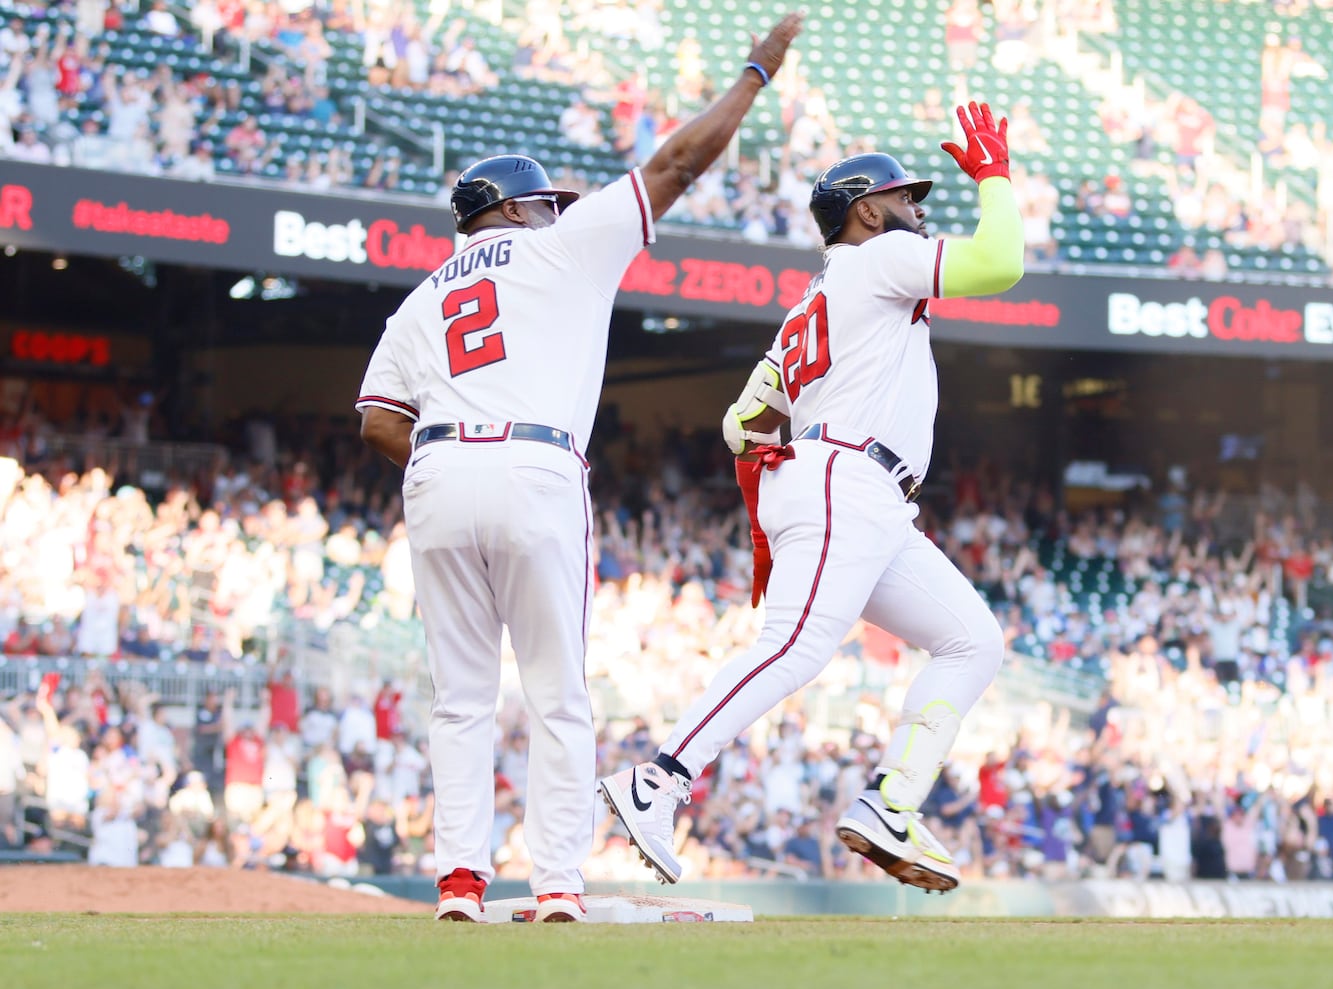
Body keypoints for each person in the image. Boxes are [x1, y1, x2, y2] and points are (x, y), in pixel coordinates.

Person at [354, 12, 803, 924]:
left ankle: (458, 885)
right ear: (518, 210)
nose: (554, 212)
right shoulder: (560, 243)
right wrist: (755, 73)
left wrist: (448, 460)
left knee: (461, 699)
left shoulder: (422, 296)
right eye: (545, 202)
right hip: (533, 464)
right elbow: (679, 165)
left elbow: (374, 422)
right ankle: (556, 883)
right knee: (558, 692)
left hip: (437, 472)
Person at [600, 101, 1025, 893]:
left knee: (973, 638)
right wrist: (995, 178)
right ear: (867, 210)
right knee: (794, 646)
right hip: (847, 477)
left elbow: (742, 424)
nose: (919, 209)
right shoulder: (877, 260)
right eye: (906, 197)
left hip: (855, 488)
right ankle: (657, 779)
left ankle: (890, 805)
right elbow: (1001, 264)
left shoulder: (816, 299)